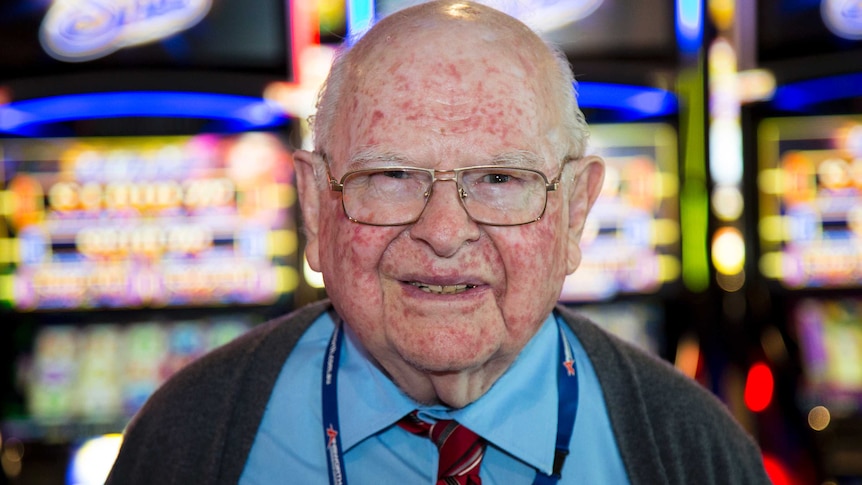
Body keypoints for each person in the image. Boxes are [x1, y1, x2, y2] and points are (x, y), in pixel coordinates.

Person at [107, 1, 770, 483]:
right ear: (313, 204)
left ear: (575, 212)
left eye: (501, 177)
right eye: (391, 175)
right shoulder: (186, 438)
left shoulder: (696, 450)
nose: (445, 232)